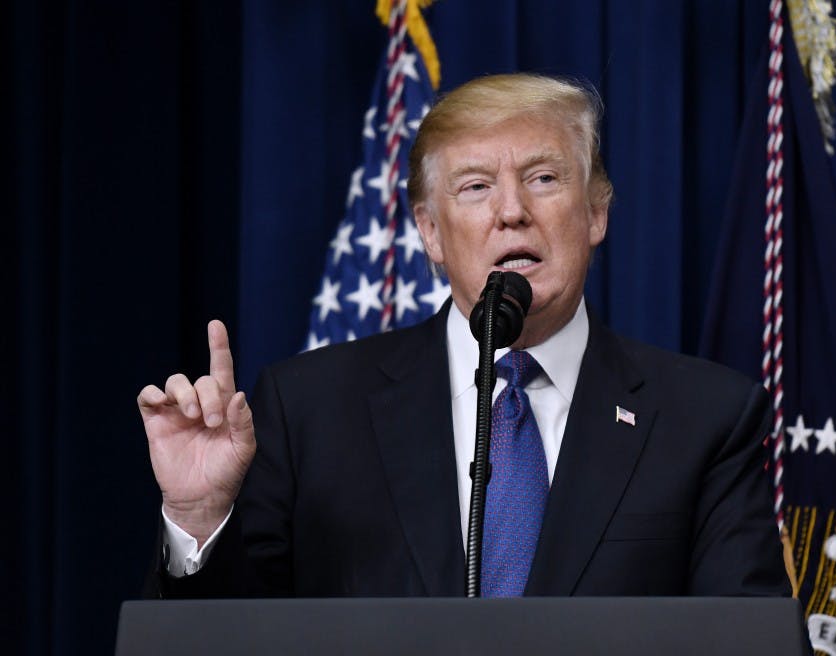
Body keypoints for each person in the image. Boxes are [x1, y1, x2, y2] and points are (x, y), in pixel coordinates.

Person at [139, 73, 790, 599]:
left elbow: (740, 639)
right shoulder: (310, 407)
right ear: (429, 232)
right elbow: (230, 641)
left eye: (543, 178)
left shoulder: (706, 419)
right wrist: (199, 520)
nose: (512, 211)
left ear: (595, 211)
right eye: (476, 187)